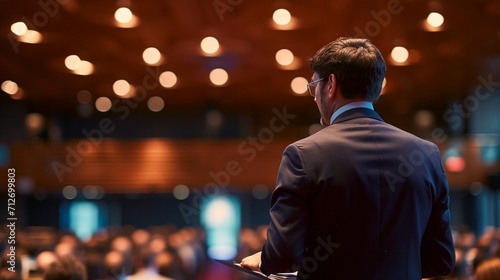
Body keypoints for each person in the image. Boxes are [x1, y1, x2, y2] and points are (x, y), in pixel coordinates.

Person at [240, 37, 455, 279]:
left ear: (330, 84)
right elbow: (441, 261)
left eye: (314, 86)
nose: (314, 97)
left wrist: (266, 258)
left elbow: (283, 258)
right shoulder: (427, 155)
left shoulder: (302, 155)